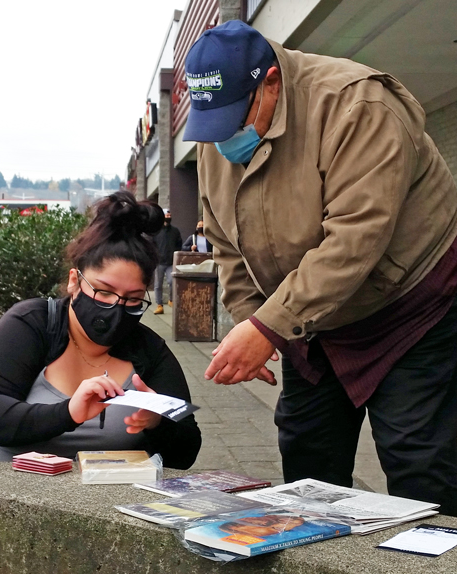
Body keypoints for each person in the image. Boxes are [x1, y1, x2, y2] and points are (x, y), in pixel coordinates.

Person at [183, 20, 457, 514]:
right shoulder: (219, 132)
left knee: (418, 456)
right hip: (310, 317)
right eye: (212, 127)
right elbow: (225, 238)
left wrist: (268, 327)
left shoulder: (358, 105)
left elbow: (356, 237)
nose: (223, 142)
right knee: (306, 452)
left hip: (409, 301)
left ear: (269, 82)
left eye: (233, 121)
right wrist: (251, 318)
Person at [0, 191, 201, 468]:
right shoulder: (32, 323)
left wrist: (158, 422)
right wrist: (68, 413)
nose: (116, 308)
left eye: (132, 299)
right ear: (75, 280)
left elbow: (186, 452)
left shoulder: (150, 351)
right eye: (104, 292)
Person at [152, 208, 182, 314]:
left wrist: (176, 256)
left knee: (172, 281)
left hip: (171, 262)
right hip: (159, 262)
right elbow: (152, 245)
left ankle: (171, 300)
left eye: (170, 216)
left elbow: (179, 244)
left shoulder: (175, 231)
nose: (168, 217)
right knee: (158, 284)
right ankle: (159, 305)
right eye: (166, 216)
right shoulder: (156, 231)